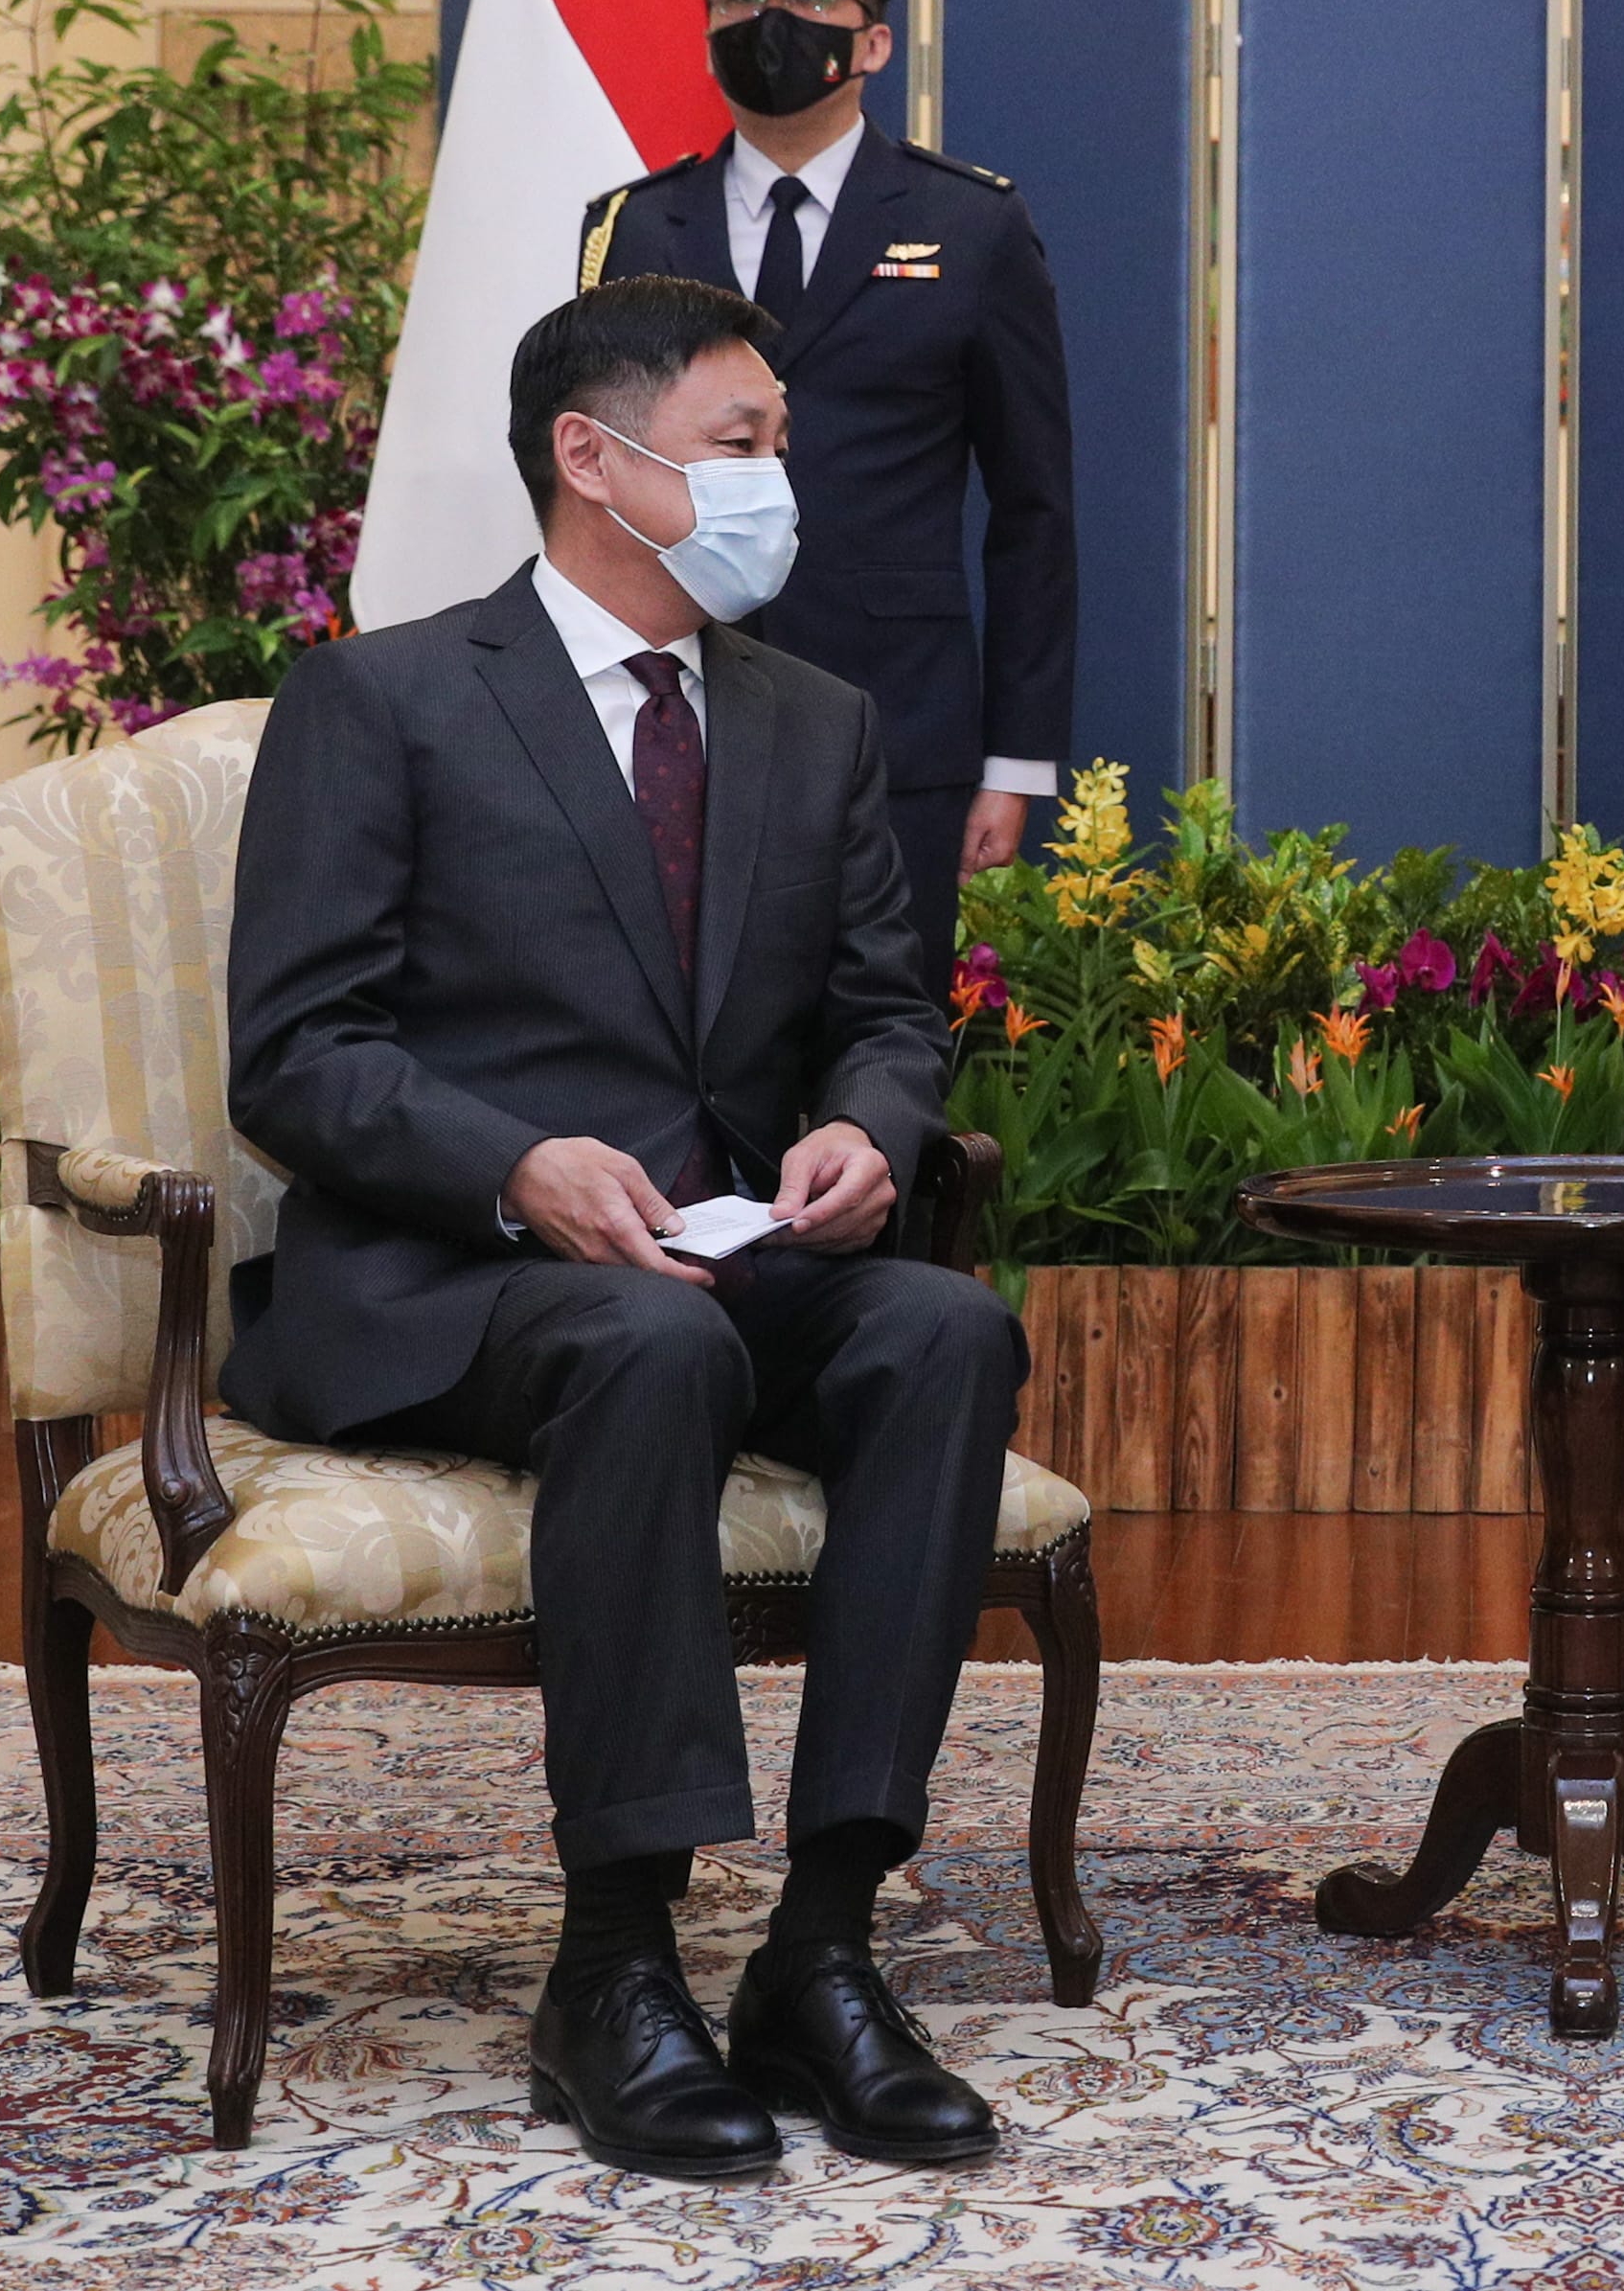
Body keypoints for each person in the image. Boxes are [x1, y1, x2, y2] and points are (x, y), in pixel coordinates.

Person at [221, 276, 1030, 2181]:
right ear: (597, 457)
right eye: (745, 443)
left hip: (733, 1250)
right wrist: (515, 1163)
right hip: (460, 1279)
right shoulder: (386, 696)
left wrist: (865, 1124)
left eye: (778, 446)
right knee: (648, 1341)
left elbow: (887, 1012)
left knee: (943, 1330)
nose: (780, 482)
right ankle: (612, 1959)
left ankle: (821, 1949)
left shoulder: (812, 720)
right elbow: (296, 1053)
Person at [579, 0, 1076, 1008]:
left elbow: (1033, 507)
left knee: (879, 1042)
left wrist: (1010, 762)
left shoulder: (971, 225)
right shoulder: (635, 227)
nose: (772, 23)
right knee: (679, 1031)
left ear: (873, 39)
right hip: (673, 706)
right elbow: (589, 483)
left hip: (898, 719)